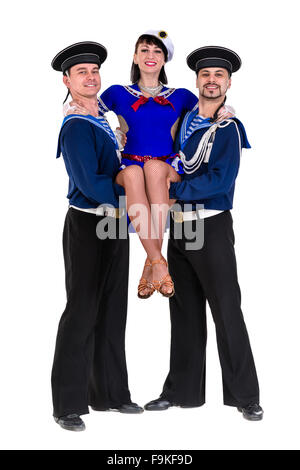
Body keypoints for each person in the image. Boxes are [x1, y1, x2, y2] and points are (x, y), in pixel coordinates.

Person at [144, 46, 264, 421]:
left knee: (226, 309)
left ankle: (246, 396)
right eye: (205, 75)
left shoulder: (228, 128)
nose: (211, 81)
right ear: (197, 80)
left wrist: (172, 190)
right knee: (183, 308)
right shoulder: (186, 119)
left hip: (210, 225)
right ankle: (181, 391)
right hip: (179, 225)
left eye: (219, 76)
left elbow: (220, 181)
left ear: (228, 83)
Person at [67, 31, 233, 300]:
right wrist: (71, 111)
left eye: (157, 51)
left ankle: (151, 263)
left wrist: (226, 111)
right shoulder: (117, 93)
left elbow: (206, 109)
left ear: (165, 59)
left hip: (165, 168)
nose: (150, 56)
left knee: (155, 171)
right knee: (134, 175)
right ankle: (157, 262)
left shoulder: (181, 96)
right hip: (130, 166)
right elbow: (88, 108)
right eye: (144, 50)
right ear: (135, 56)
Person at [51, 41, 143, 432]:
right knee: (82, 310)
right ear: (67, 80)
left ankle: (111, 395)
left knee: (112, 309)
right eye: (81, 72)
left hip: (115, 224)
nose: (90, 77)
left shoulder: (104, 117)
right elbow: (90, 184)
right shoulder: (74, 125)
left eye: (94, 71)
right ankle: (68, 405)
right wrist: (137, 203)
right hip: (89, 223)